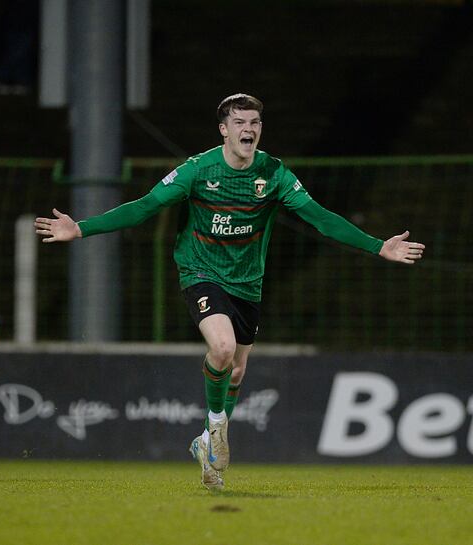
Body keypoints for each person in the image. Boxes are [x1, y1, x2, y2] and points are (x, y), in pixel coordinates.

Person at [34, 93, 425, 490]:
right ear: (224, 130)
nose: (249, 129)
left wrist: (379, 245)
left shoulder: (274, 174)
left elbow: (320, 218)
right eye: (240, 122)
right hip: (201, 272)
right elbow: (145, 206)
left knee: (236, 369)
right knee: (221, 349)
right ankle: (218, 425)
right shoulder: (198, 171)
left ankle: (205, 444)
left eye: (255, 123)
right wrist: (81, 227)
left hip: (247, 282)